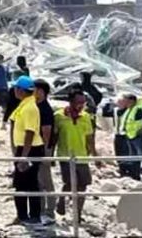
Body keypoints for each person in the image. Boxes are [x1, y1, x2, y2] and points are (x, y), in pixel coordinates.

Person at [52, 89, 97, 220]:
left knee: (83, 184)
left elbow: (89, 138)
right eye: (78, 102)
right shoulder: (58, 116)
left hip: (82, 155)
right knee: (70, 182)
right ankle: (61, 201)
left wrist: (95, 156)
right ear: (71, 101)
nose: (81, 105)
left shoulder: (86, 117)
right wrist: (51, 156)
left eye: (83, 102)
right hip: (65, 155)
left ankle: (77, 213)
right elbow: (54, 137)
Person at [9, 75, 44, 225]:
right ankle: (23, 215)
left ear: (21, 90)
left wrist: (24, 157)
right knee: (22, 183)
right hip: (25, 148)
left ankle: (32, 216)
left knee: (28, 184)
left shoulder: (30, 107)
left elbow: (30, 132)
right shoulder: (24, 104)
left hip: (30, 149)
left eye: (16, 88)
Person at [34, 79, 56, 223]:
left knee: (46, 181)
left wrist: (45, 149)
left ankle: (49, 211)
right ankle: (40, 210)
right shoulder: (37, 106)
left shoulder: (45, 109)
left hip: (44, 148)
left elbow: (47, 131)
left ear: (42, 92)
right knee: (38, 181)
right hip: (39, 147)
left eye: (35, 90)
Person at [121, 92, 142, 181]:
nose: (124, 102)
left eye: (126, 101)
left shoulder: (138, 110)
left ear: (131, 101)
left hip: (139, 137)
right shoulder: (129, 110)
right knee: (134, 158)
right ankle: (135, 176)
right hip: (130, 136)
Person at [114, 94, 134, 178]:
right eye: (118, 102)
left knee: (126, 152)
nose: (119, 103)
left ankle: (129, 170)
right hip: (117, 134)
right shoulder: (115, 110)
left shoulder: (129, 111)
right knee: (118, 152)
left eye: (121, 102)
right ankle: (121, 170)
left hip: (125, 135)